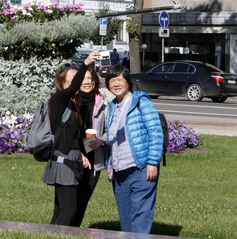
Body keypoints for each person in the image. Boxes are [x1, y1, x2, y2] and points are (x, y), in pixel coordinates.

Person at [43, 49, 101, 226]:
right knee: (69, 210)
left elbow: (70, 137)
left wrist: (81, 153)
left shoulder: (72, 105)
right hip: (63, 161)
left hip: (69, 158)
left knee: (61, 209)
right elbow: (74, 87)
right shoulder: (59, 100)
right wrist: (86, 63)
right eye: (75, 78)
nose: (81, 81)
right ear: (62, 83)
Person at [105, 65, 163, 233]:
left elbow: (155, 132)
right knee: (126, 217)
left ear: (128, 82)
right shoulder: (113, 106)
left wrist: (152, 162)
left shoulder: (140, 101)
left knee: (140, 214)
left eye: (119, 79)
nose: (116, 84)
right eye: (112, 80)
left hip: (141, 167)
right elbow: (114, 136)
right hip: (120, 170)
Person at [71, 63, 114, 226]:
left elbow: (111, 129)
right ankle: (61, 231)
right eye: (83, 78)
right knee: (68, 203)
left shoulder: (103, 103)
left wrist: (101, 140)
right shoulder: (70, 101)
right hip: (72, 157)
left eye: (90, 78)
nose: (87, 81)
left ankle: (73, 232)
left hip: (93, 160)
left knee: (82, 202)